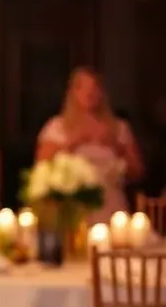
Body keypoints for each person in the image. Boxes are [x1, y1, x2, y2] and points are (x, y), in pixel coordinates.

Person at [36, 66, 144, 224]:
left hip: (112, 210)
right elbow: (41, 166)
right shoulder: (56, 127)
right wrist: (73, 142)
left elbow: (138, 172)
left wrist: (114, 144)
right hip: (71, 210)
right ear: (73, 92)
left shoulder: (119, 128)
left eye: (95, 87)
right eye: (83, 87)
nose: (89, 93)